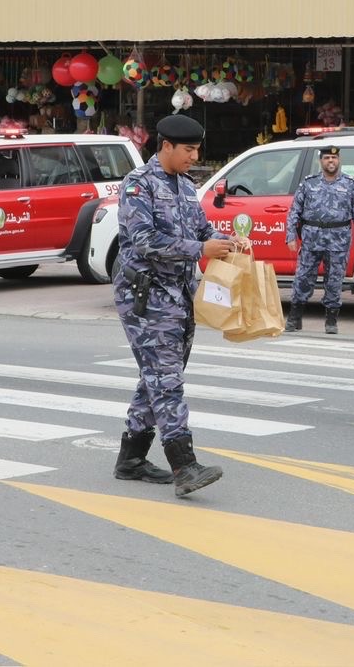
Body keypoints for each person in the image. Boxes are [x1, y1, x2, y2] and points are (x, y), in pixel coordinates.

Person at [114, 113, 248, 497]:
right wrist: (199, 249)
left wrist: (226, 242)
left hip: (178, 294)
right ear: (167, 146)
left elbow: (202, 229)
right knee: (166, 378)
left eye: (197, 149)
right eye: (188, 149)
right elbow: (142, 240)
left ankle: (131, 458)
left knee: (157, 375)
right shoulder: (139, 185)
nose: (194, 156)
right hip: (145, 294)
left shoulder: (186, 186)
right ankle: (184, 464)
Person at [284, 145, 354, 335]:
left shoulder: (351, 184)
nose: (331, 161)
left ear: (339, 161)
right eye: (327, 158)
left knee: (334, 281)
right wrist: (290, 236)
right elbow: (294, 212)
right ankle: (294, 317)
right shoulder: (308, 184)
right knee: (303, 278)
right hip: (311, 240)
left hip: (338, 241)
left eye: (334, 158)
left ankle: (331, 320)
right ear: (320, 161)